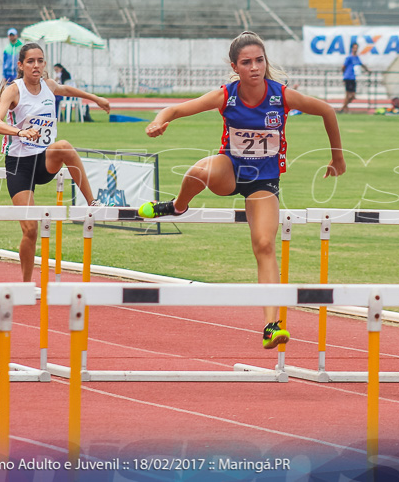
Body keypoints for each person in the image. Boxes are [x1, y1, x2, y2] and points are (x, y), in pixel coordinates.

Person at [136, 31, 346, 349]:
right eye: (246, 62)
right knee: (197, 172)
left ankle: (271, 326)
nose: (254, 67)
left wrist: (337, 157)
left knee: (264, 245)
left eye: (259, 60)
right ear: (235, 67)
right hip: (230, 170)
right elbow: (177, 110)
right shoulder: (226, 96)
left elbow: (327, 111)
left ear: (265, 63)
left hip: (264, 182)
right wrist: (159, 121)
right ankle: (178, 206)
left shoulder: (281, 96)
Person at [0, 43, 112, 282]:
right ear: (21, 65)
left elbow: (66, 89)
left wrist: (95, 98)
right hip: (19, 165)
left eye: (40, 61)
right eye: (31, 61)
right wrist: (19, 132)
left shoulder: (49, 86)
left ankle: (92, 202)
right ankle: (26, 283)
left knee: (65, 146)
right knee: (31, 230)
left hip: (44, 161)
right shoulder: (14, 90)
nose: (36, 66)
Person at [339, 42, 370, 113]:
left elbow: (361, 64)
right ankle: (344, 109)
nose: (355, 49)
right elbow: (343, 67)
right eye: (354, 48)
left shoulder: (357, 58)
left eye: (356, 48)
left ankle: (343, 108)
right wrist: (344, 75)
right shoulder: (349, 57)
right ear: (352, 48)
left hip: (353, 78)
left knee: (353, 95)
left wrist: (367, 70)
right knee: (348, 94)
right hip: (348, 77)